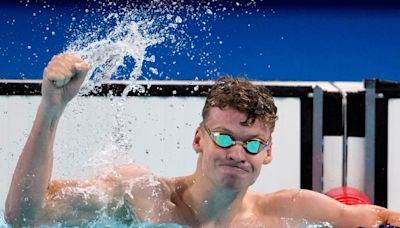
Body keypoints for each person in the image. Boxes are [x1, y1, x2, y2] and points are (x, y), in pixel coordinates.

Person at [5, 53, 400, 227]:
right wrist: (52, 109)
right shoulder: (143, 196)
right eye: (225, 137)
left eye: (251, 143)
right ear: (199, 138)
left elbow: (377, 219)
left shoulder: (288, 212)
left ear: (268, 152)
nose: (236, 153)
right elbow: (25, 217)